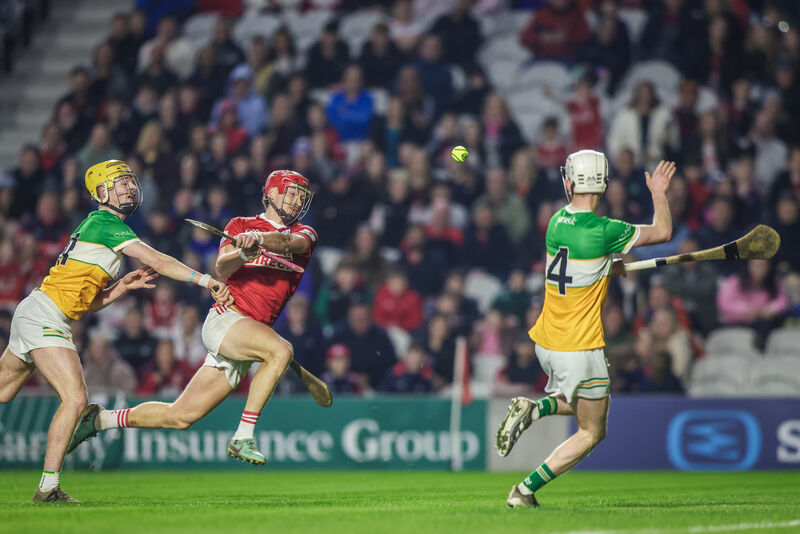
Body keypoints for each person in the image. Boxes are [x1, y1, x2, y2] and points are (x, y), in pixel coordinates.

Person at [0, 159, 231, 503]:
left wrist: (121, 288)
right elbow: (159, 260)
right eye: (119, 182)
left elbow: (87, 303)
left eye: (129, 181)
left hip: (38, 312)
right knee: (76, 399)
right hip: (44, 317)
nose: (128, 187)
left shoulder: (103, 231)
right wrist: (206, 280)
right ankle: (48, 489)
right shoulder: (105, 222)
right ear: (101, 192)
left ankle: (49, 488)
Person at [68, 169, 317, 467]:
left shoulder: (305, 232)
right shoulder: (239, 225)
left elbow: (292, 246)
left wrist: (259, 239)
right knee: (281, 350)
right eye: (291, 193)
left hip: (251, 334)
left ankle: (100, 420)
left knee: (180, 416)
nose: (296, 201)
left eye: (301, 196)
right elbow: (223, 268)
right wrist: (243, 254)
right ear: (271, 193)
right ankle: (243, 437)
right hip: (227, 319)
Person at [496, 151, 676, 508]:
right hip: (579, 346)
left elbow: (581, 264)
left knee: (590, 405)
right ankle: (524, 490)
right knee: (592, 430)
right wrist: (658, 191)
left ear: (570, 182)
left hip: (546, 341)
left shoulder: (556, 222)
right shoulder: (607, 230)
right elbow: (664, 231)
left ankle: (537, 410)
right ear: (604, 184)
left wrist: (606, 266)